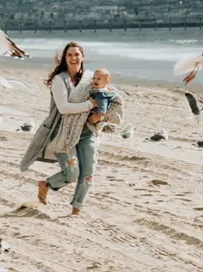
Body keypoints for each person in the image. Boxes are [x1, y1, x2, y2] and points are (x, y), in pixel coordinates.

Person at [19, 42, 124, 215]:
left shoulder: (91, 79)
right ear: (64, 59)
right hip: (63, 133)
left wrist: (102, 115)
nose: (74, 58)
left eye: (77, 54)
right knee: (72, 173)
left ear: (82, 57)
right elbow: (63, 108)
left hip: (88, 131)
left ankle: (76, 210)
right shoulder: (59, 80)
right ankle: (47, 184)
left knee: (88, 173)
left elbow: (108, 93)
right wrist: (90, 104)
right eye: (70, 55)